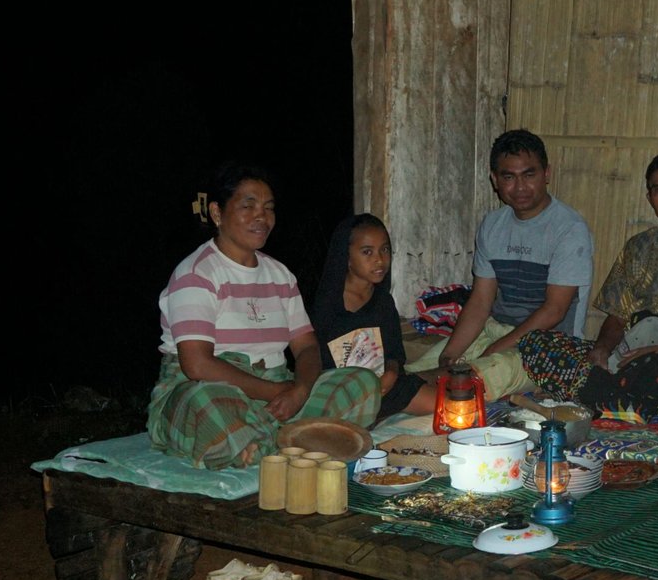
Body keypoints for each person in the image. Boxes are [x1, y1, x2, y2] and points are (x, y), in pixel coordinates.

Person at [148, 163, 382, 469]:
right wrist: (276, 392)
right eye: (248, 206)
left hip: (278, 389)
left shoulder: (280, 275)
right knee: (206, 404)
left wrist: (299, 390)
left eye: (268, 208)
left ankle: (265, 444)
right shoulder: (196, 273)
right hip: (213, 387)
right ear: (217, 213)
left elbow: (308, 348)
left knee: (361, 383)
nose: (262, 216)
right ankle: (298, 441)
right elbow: (197, 364)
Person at [518, 153, 658, 413]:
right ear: (649, 198)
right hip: (630, 352)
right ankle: (619, 397)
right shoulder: (638, 247)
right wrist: (601, 350)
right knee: (536, 343)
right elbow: (618, 316)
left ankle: (608, 394)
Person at [405, 129, 594, 400]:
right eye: (509, 177)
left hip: (548, 346)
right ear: (495, 180)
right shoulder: (493, 225)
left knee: (468, 382)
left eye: (529, 175)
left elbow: (554, 310)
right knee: (417, 371)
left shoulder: (569, 228)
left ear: (547, 174)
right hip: (495, 330)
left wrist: (493, 350)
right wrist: (449, 354)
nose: (520, 187)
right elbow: (481, 301)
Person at [311, 213, 434, 420]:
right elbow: (316, 362)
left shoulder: (382, 302)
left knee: (449, 408)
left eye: (384, 249)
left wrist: (392, 374)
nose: (379, 259)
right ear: (347, 257)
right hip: (343, 394)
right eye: (367, 252)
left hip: (385, 388)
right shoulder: (326, 304)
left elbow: (394, 352)